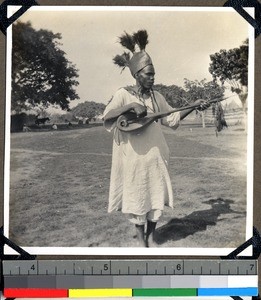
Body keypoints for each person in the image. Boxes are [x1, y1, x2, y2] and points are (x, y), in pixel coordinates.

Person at [103, 30, 209, 247]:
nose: (152, 78)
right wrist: (131, 106)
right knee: (138, 197)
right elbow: (107, 116)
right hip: (133, 158)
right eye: (148, 74)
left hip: (156, 155)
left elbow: (171, 119)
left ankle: (152, 235)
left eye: (153, 74)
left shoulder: (156, 96)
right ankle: (142, 241)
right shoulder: (123, 94)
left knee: (154, 196)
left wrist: (193, 105)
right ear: (137, 75)